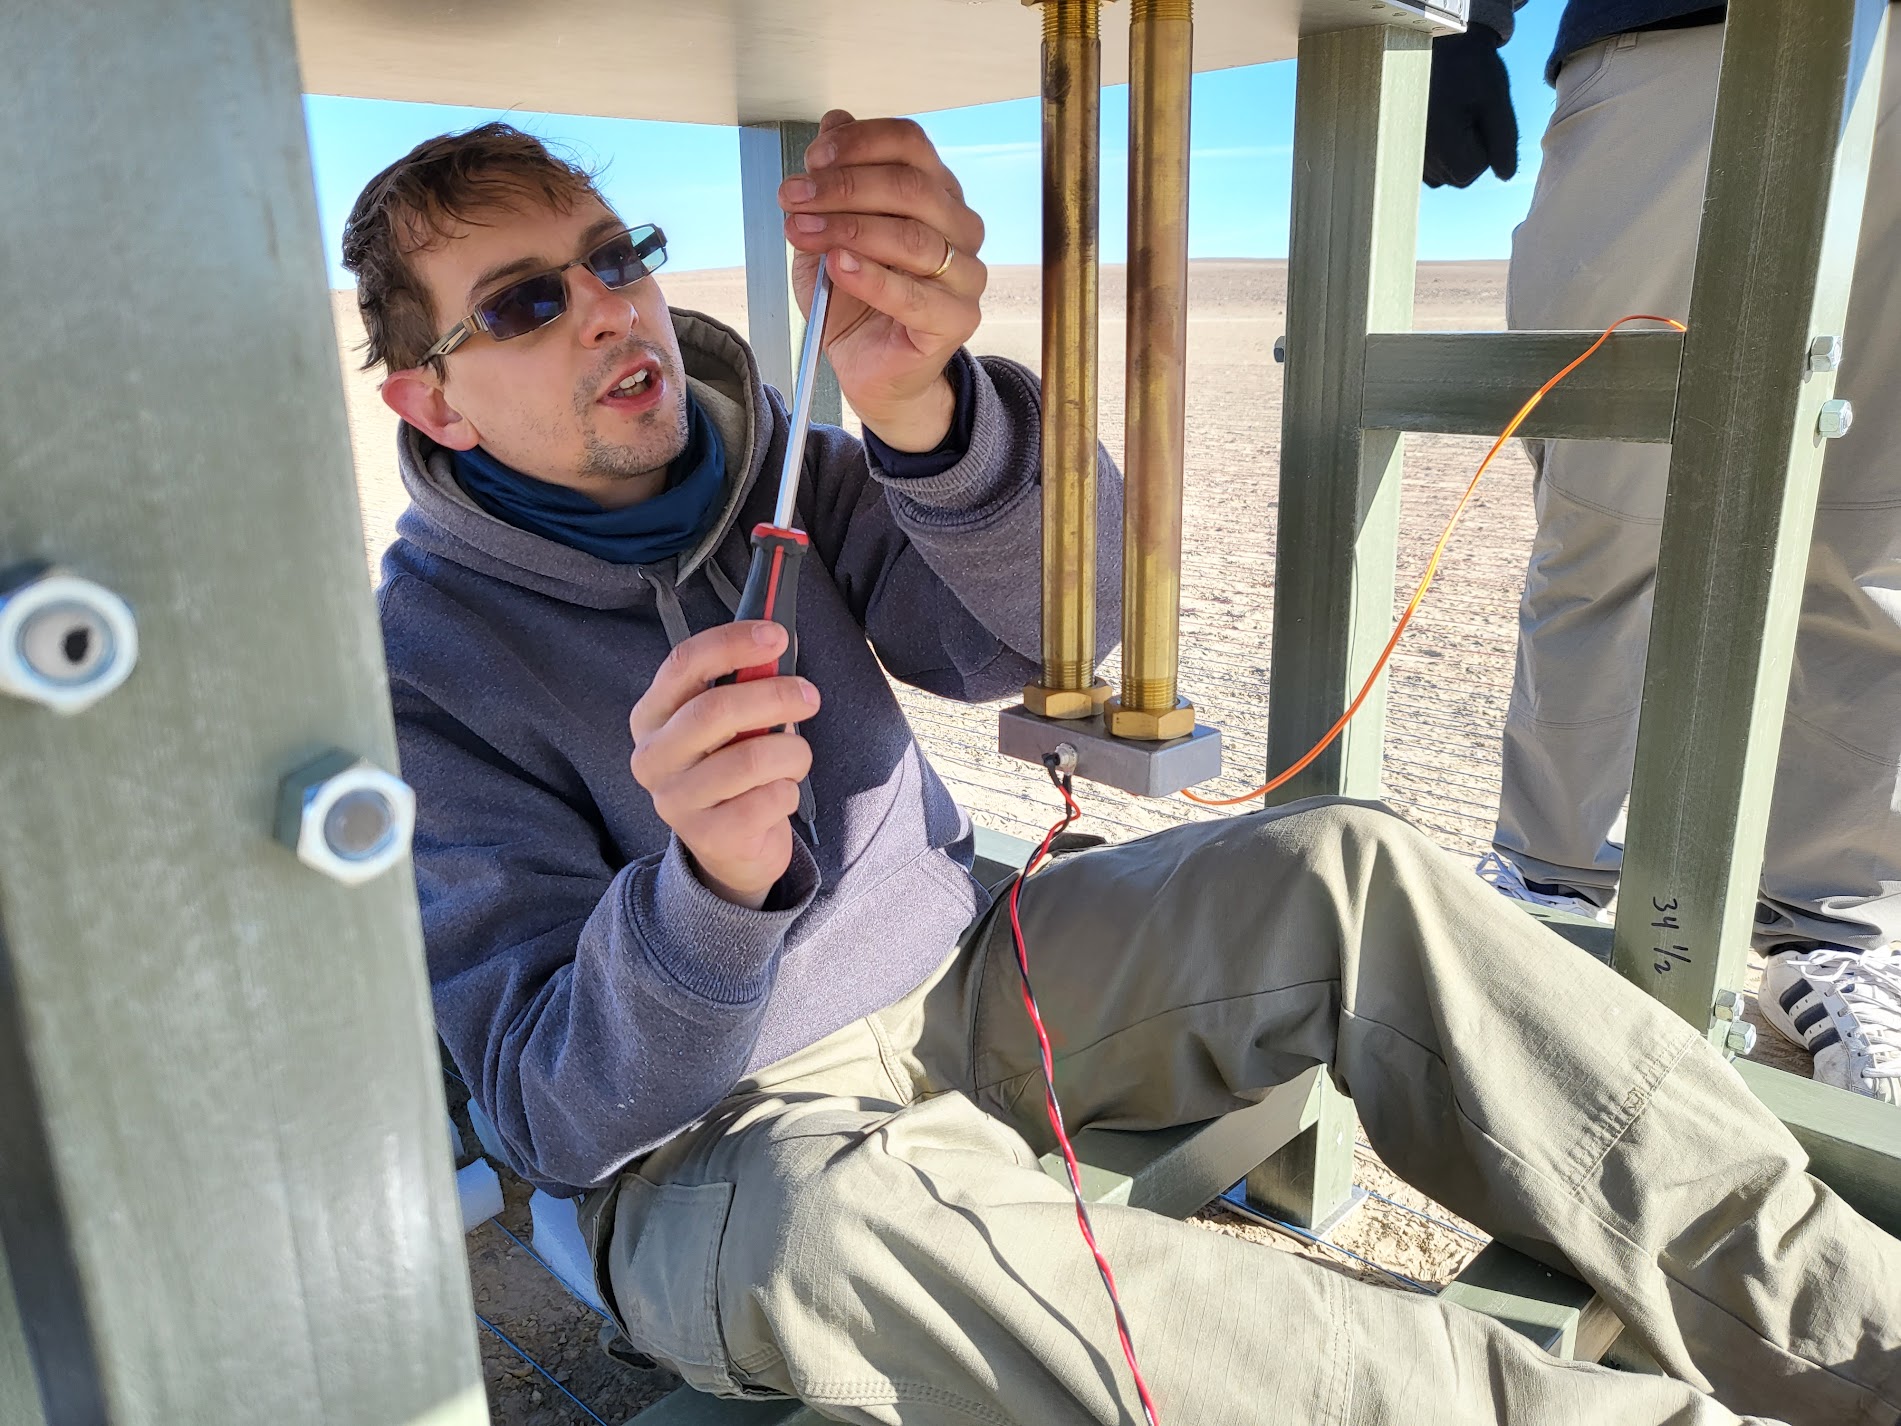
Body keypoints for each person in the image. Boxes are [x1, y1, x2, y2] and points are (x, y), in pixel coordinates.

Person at [350, 116, 1899, 1424]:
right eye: (524, 303)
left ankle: (1857, 1336)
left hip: (960, 975)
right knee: (849, 1227)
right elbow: (550, 1114)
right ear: (428, 396)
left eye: (616, 256)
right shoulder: (419, 665)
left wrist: (924, 411)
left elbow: (1040, 632)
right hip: (714, 1148)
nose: (608, 310)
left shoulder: (772, 464)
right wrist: (703, 893)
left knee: (1337, 872)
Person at [1427, 1, 1901, 1104]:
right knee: (1608, 495)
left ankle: (1826, 933)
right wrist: (1462, 14)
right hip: (1674, 26)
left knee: (1870, 526)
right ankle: (1552, 878)